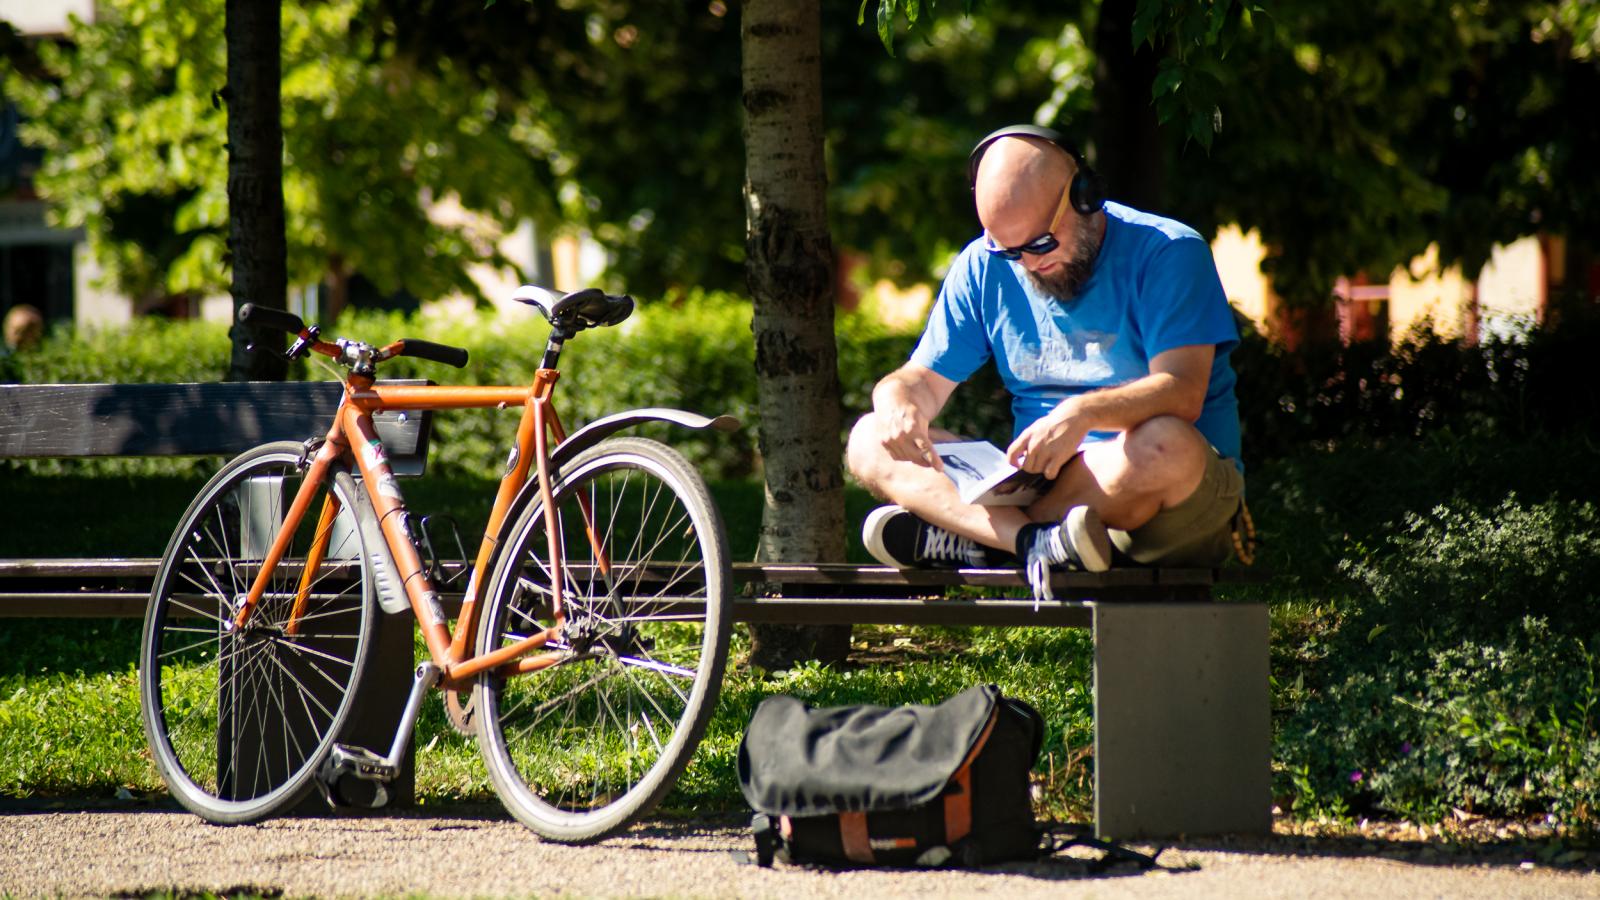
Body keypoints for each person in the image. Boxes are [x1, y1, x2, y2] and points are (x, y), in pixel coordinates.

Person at [845, 124, 1247, 600]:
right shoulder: (983, 264)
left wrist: (1082, 415)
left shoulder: (1168, 251)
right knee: (869, 437)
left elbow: (1183, 391)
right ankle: (1032, 543)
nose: (1029, 264)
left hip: (1161, 495)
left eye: (1040, 244)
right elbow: (919, 381)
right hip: (1039, 490)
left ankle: (976, 539)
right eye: (1010, 251)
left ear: (1084, 195)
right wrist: (897, 403)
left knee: (1167, 444)